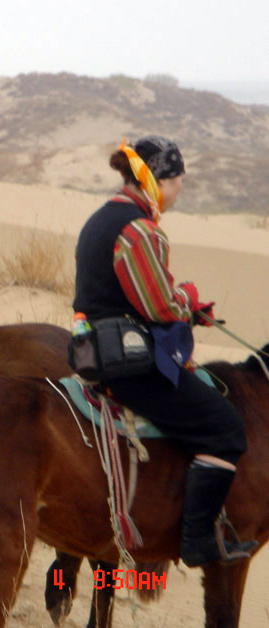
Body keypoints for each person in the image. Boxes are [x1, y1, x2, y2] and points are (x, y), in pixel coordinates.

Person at [72, 136, 257, 567]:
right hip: (130, 363)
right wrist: (188, 300)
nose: (178, 193)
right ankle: (197, 541)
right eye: (178, 183)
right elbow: (159, 306)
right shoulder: (139, 229)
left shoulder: (102, 218)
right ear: (160, 181)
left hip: (98, 351)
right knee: (226, 428)